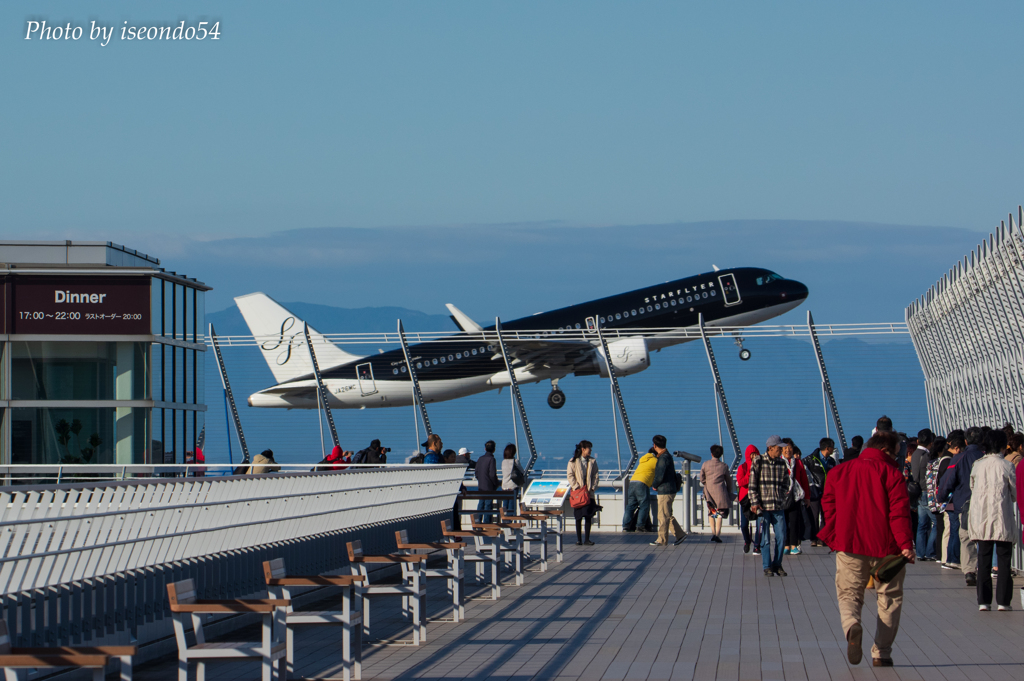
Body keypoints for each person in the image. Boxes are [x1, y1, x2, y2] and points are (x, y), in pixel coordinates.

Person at [818, 430, 914, 667]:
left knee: (849, 593)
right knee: (890, 598)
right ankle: (882, 652)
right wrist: (906, 545)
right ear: (884, 451)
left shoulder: (839, 471)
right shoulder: (892, 473)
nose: (897, 459)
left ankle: (852, 625)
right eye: (895, 454)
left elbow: (828, 503)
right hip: (887, 548)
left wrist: (835, 530)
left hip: (849, 544)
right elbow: (899, 513)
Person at [969, 429, 1017, 611]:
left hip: (981, 518)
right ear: (1002, 446)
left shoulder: (977, 465)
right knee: (1004, 560)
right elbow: (1013, 493)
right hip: (1001, 517)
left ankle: (984, 601)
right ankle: (1004, 602)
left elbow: (972, 487)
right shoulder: (1006, 466)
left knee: (983, 560)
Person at [937, 426, 985, 586]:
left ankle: (970, 570)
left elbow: (947, 481)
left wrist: (941, 497)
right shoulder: (985, 457)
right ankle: (985, 568)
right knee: (984, 537)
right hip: (984, 504)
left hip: (964, 504)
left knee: (965, 537)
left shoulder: (958, 458)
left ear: (965, 441)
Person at [749, 435, 790, 576]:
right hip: (763, 508)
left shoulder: (782, 463)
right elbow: (752, 485)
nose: (781, 451)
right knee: (765, 538)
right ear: (770, 448)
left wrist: (782, 495)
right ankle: (767, 566)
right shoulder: (758, 461)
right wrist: (755, 502)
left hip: (778, 507)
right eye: (779, 448)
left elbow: (786, 482)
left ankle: (777, 564)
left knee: (782, 537)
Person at [649, 435, 686, 546]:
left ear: (655, 445)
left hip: (665, 490)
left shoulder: (663, 458)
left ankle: (662, 539)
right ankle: (680, 534)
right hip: (670, 489)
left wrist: (654, 484)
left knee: (663, 515)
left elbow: (660, 475)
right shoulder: (667, 456)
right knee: (667, 514)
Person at [937, 432, 965, 568]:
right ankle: (950, 558)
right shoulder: (950, 460)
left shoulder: (944, 459)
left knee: (949, 529)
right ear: (958, 447)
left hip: (946, 499)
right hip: (950, 500)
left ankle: (946, 558)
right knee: (952, 528)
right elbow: (947, 481)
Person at [803, 438, 837, 547]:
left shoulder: (831, 461)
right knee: (814, 515)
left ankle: (822, 538)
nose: (833, 449)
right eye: (832, 447)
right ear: (827, 448)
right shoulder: (811, 459)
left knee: (825, 515)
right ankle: (814, 538)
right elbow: (803, 471)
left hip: (827, 492)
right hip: (815, 492)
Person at [910, 428, 936, 559]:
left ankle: (920, 552)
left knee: (922, 524)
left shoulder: (914, 454)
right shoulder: (926, 456)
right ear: (930, 442)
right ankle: (931, 551)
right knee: (936, 522)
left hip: (918, 492)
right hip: (926, 491)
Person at [781, 439, 811, 555]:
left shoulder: (798, 463)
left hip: (795, 497)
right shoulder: (778, 462)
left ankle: (794, 545)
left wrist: (807, 497)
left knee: (794, 522)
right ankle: (786, 545)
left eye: (790, 447)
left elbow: (804, 481)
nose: (788, 450)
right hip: (782, 498)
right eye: (785, 448)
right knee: (784, 523)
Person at [567, 440, 599, 546]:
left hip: (588, 492)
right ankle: (579, 539)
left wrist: (593, 488)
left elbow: (595, 475)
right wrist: (576, 486)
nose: (590, 450)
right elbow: (570, 475)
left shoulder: (592, 461)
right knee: (578, 516)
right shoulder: (573, 461)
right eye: (589, 448)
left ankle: (587, 539)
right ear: (583, 449)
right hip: (579, 493)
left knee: (588, 515)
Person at [701, 444, 734, 543]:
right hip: (721, 492)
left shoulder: (705, 464)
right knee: (720, 514)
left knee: (712, 512)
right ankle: (717, 534)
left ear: (711, 454)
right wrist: (729, 491)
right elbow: (728, 480)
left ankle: (713, 532)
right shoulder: (724, 466)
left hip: (709, 492)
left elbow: (702, 478)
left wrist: (707, 484)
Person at [623, 447, 657, 532]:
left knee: (630, 506)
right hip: (642, 483)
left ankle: (625, 526)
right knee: (644, 505)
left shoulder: (643, 460)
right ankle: (640, 526)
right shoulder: (655, 461)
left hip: (633, 482)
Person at [736, 444, 762, 554]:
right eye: (751, 455)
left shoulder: (761, 467)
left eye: (755, 454)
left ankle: (757, 545)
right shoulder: (742, 467)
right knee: (743, 525)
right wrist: (750, 475)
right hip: (745, 500)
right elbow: (740, 482)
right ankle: (747, 541)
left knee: (760, 524)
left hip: (758, 498)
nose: (753, 457)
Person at [475, 440, 500, 523]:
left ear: (485, 449)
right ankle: (487, 524)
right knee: (488, 505)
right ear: (494, 449)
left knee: (481, 504)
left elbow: (477, 473)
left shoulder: (480, 459)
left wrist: (481, 480)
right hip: (489, 486)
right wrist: (496, 483)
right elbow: (492, 474)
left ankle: (477, 523)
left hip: (481, 486)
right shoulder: (491, 459)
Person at [501, 443, 525, 515]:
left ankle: (505, 520)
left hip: (504, 486)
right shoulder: (515, 461)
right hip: (513, 485)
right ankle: (510, 520)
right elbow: (522, 471)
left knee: (505, 504)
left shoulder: (503, 462)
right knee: (512, 505)